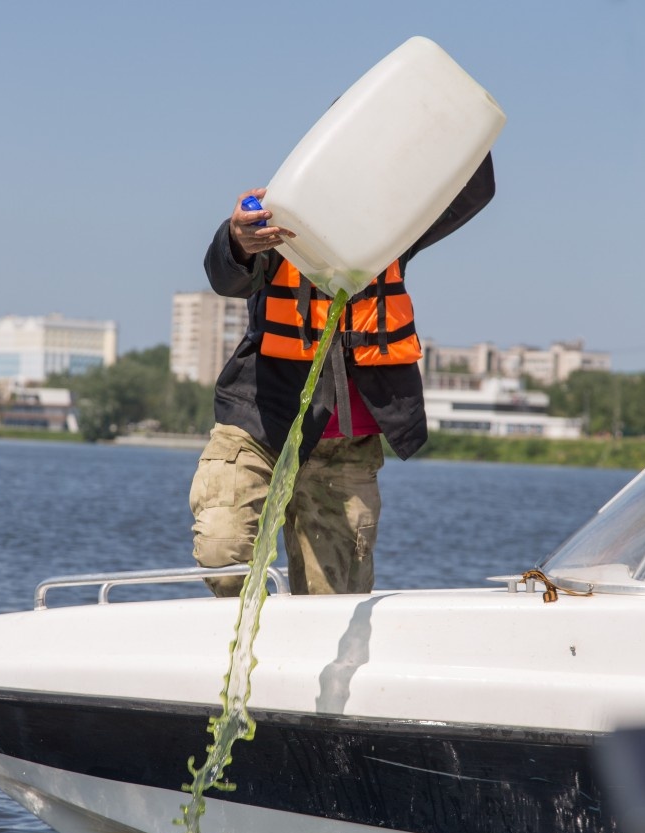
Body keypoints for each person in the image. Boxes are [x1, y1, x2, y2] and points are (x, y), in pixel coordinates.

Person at [190, 154, 496, 597]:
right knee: (223, 556)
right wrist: (237, 238)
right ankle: (252, 651)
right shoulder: (278, 221)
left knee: (331, 602)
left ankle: (294, 658)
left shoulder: (396, 224)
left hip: (345, 447)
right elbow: (226, 276)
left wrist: (443, 110)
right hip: (258, 426)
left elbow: (473, 191)